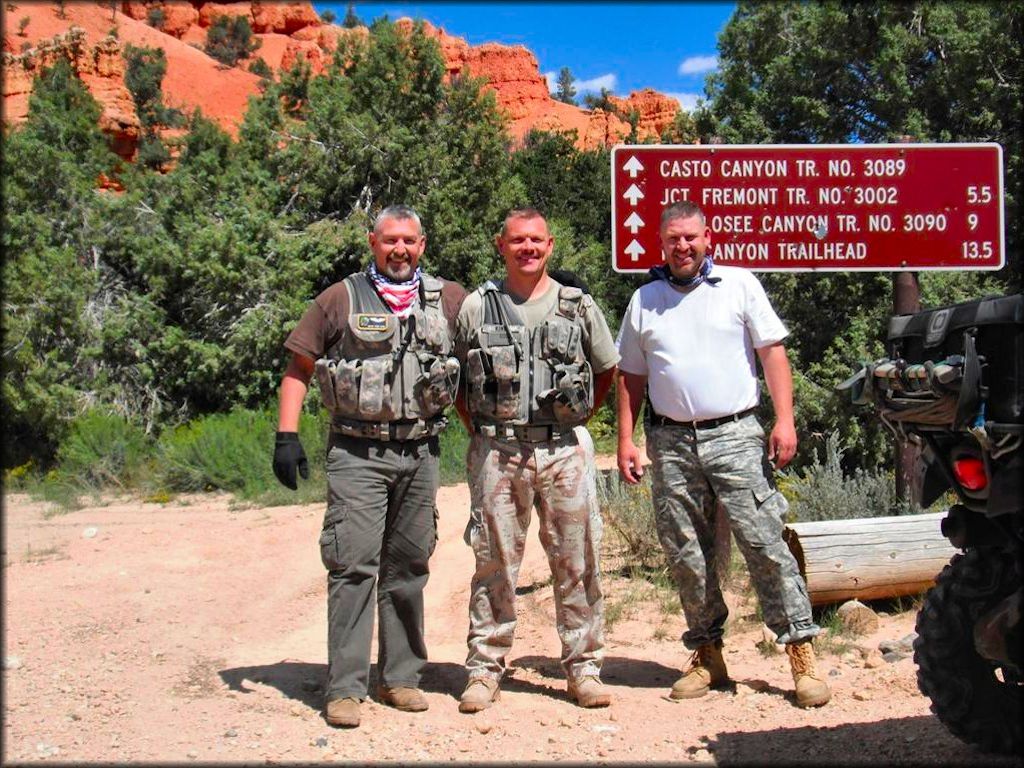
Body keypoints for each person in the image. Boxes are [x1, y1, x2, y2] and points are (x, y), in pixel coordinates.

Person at [615, 200, 831, 709]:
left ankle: (800, 653)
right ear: (661, 243)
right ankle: (708, 656)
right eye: (673, 239)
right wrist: (626, 439)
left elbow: (771, 352)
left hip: (735, 434)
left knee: (764, 543)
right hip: (670, 442)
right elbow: (631, 376)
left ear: (707, 237)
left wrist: (784, 419)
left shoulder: (738, 284)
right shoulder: (645, 299)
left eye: (690, 237)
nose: (682, 246)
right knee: (686, 553)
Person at [272, 205, 466, 728]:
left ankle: (401, 678)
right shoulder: (341, 297)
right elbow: (299, 366)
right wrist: (285, 436)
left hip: (422, 453)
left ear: (422, 244)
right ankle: (345, 688)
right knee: (353, 567)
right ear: (372, 242)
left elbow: (481, 357)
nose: (399, 250)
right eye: (389, 241)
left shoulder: (449, 299)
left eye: (408, 240)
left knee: (408, 568)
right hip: (357, 454)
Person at [453, 208, 620, 712]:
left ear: (550, 246)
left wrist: (583, 415)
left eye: (536, 241)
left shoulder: (577, 305)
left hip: (564, 450)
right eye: (517, 240)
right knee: (494, 563)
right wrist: (478, 430)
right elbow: (455, 376)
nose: (528, 248)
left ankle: (583, 668)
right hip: (497, 450)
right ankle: (485, 669)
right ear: (499, 244)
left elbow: (606, 367)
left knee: (578, 559)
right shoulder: (477, 308)